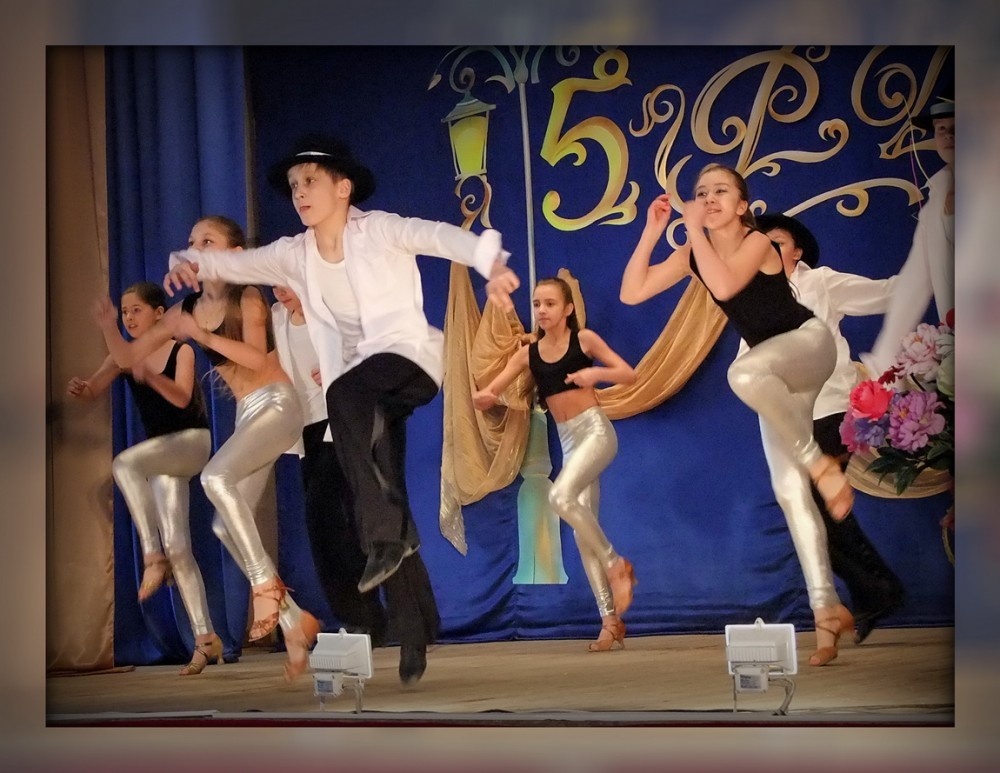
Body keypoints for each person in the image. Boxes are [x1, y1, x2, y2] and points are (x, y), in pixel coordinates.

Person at [163, 134, 519, 684]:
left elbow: (436, 235)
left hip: (408, 362)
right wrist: (188, 260)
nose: (300, 193)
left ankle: (384, 539)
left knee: (345, 402)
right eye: (293, 186)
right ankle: (414, 632)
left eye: (310, 181)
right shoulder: (294, 254)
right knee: (385, 493)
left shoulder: (379, 230)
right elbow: (243, 263)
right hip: (359, 395)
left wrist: (489, 262)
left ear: (343, 187)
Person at [620, 164, 855, 666]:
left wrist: (693, 231)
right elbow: (632, 292)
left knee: (742, 374)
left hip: (808, 347)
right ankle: (827, 612)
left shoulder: (759, 242)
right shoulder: (695, 252)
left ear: (742, 205)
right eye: (701, 192)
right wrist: (652, 232)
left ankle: (820, 463)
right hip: (773, 376)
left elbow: (725, 287)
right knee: (788, 490)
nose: (708, 198)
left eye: (720, 191)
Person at [96, 216, 320, 683]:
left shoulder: (248, 296)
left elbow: (256, 358)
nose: (196, 248)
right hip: (247, 417)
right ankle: (296, 623)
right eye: (192, 241)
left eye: (208, 241)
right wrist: (109, 328)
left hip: (277, 404)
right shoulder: (187, 308)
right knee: (222, 525)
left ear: (234, 254)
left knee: (215, 477)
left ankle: (266, 588)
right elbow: (129, 357)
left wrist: (201, 336)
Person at [751, 212, 906, 643]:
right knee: (809, 510)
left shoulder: (821, 282)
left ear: (797, 251)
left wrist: (934, 265)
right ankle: (876, 592)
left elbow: (885, 293)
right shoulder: (757, 298)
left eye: (778, 243)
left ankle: (878, 590)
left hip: (832, 409)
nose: (768, 250)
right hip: (791, 418)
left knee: (819, 506)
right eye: (761, 243)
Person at [473, 277, 638, 651]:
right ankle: (610, 622)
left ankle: (616, 564)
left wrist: (597, 374)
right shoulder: (529, 354)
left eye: (549, 303)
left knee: (560, 498)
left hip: (595, 433)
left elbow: (629, 374)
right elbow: (495, 387)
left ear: (567, 309)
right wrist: (486, 396)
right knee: (581, 531)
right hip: (568, 442)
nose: (542, 310)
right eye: (537, 304)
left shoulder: (585, 341)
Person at [69, 281, 220, 675]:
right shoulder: (123, 357)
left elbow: (182, 398)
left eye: (136, 310)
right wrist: (81, 388)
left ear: (159, 314)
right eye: (124, 312)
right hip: (161, 455)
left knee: (124, 464)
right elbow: (93, 388)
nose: (129, 318)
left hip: (191, 442)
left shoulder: (180, 349)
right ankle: (205, 638)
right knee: (180, 547)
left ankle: (152, 557)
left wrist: (149, 377)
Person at [271, 284, 388, 644]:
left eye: (286, 281)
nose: (279, 291)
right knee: (328, 526)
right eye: (274, 282)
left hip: (341, 420)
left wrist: (343, 367)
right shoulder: (276, 318)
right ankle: (362, 616)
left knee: (328, 516)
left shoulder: (330, 311)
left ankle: (364, 615)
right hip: (304, 427)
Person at [865, 90, 954, 376]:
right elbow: (914, 285)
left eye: (958, 128)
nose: (949, 136)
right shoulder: (935, 202)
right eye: (941, 129)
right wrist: (885, 364)